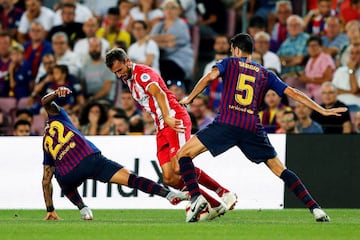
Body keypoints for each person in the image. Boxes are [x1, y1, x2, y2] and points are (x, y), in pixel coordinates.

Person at [177, 33, 347, 222]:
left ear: (235, 49)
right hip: (252, 127)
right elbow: (293, 92)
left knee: (183, 155)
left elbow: (210, 76)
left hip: (227, 123)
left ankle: (196, 198)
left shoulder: (229, 62)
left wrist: (189, 98)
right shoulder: (265, 73)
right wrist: (321, 110)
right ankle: (316, 209)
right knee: (281, 170)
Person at [105, 48, 237, 221]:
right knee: (169, 177)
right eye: (115, 73)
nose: (119, 75)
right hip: (161, 126)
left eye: (120, 70)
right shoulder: (128, 78)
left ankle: (223, 193)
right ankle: (214, 204)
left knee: (180, 164)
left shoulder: (142, 74)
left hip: (174, 118)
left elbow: (158, 93)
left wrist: (167, 116)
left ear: (127, 61)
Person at [41, 86, 188, 220]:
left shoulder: (45, 144)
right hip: (89, 159)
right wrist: (56, 93)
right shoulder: (59, 116)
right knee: (132, 179)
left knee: (63, 182)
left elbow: (46, 180)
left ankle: (83, 209)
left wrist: (50, 209)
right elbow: (45, 102)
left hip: (68, 173)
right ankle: (169, 195)